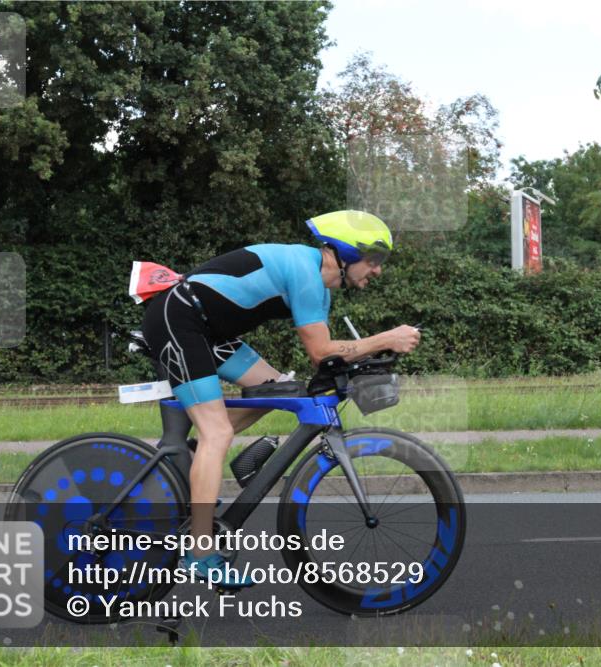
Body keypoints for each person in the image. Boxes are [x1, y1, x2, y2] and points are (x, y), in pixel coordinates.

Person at [139, 210, 421, 586]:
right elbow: (323, 351)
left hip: (210, 332)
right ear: (347, 252)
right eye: (374, 260)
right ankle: (199, 553)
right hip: (180, 317)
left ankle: (191, 463)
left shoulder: (319, 289)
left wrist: (362, 361)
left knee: (277, 388)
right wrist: (385, 338)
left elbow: (329, 357)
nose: (378, 270)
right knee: (217, 433)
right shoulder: (305, 270)